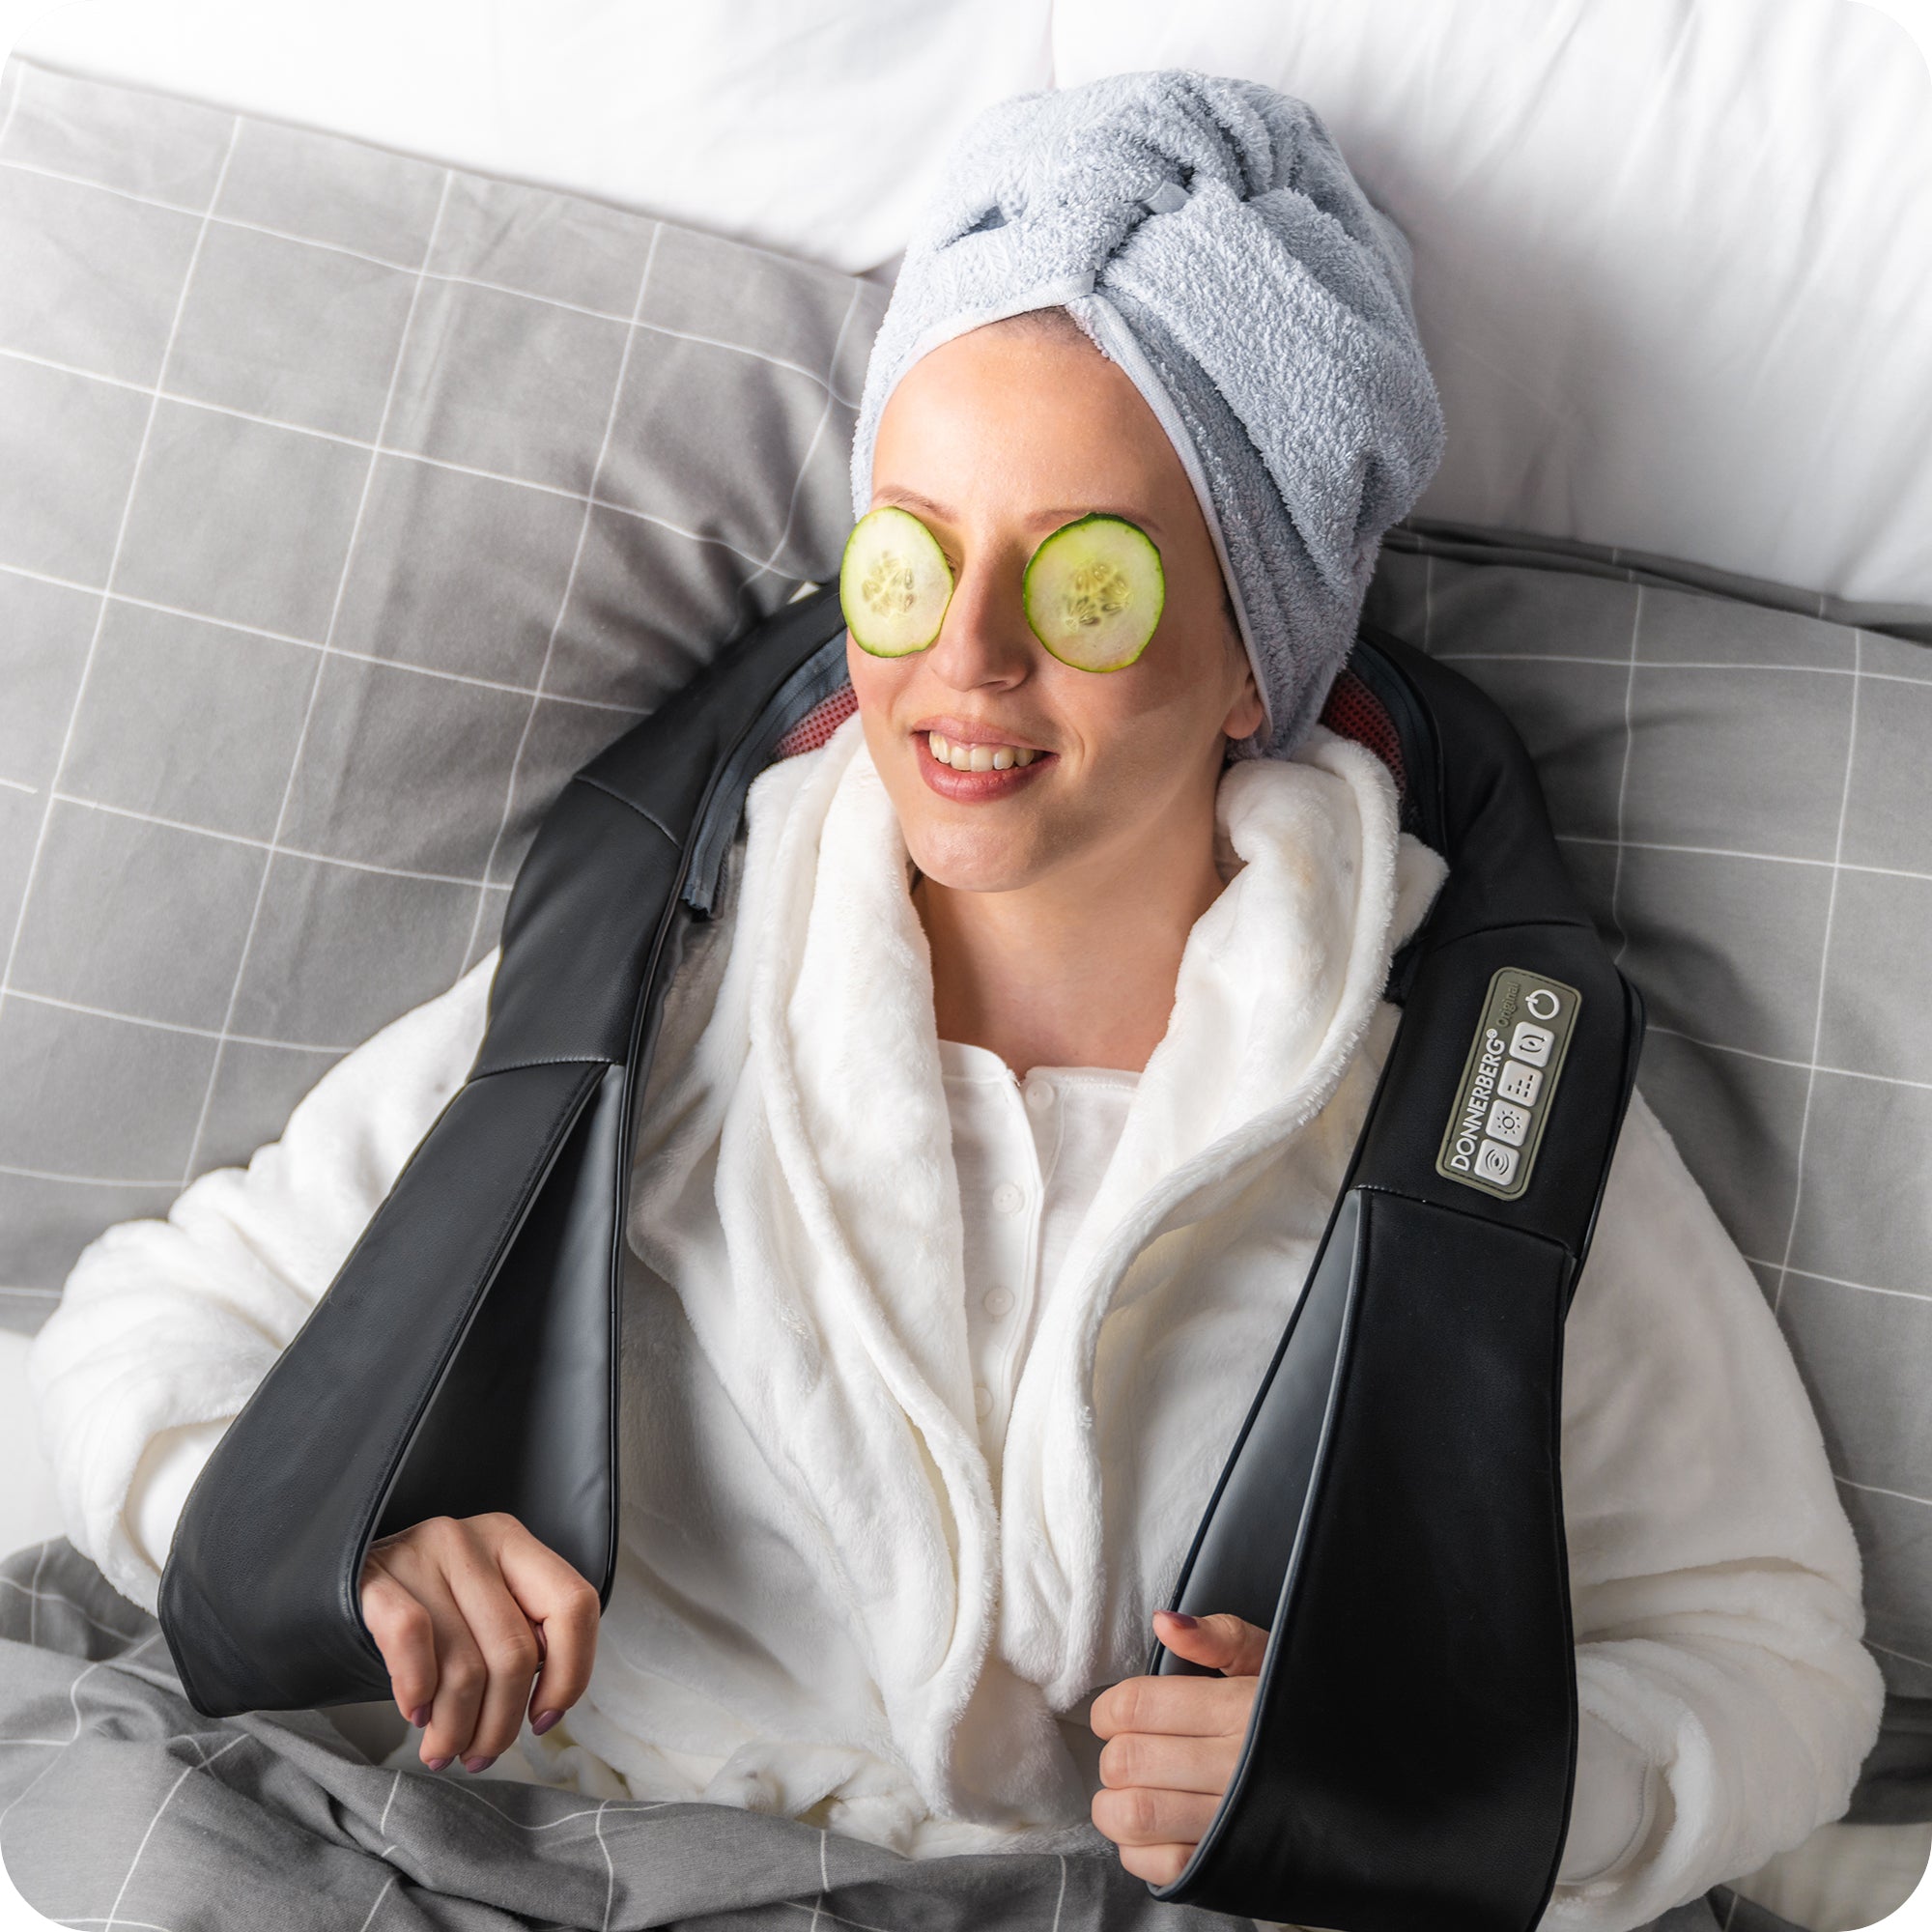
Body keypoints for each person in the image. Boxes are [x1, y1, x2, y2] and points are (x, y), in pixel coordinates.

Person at [26, 70, 1883, 1932]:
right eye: (913, 559)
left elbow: (1774, 1659)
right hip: (551, 1870)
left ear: (1260, 654)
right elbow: (150, 1334)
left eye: (1088, 584)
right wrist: (351, 1545)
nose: (962, 661)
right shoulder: (658, 996)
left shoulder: (1458, 1113)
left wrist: (1398, 1771)